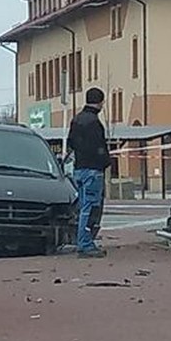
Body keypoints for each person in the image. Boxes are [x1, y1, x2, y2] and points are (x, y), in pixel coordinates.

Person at [67, 87, 110, 258]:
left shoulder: (76, 120)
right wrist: (105, 161)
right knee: (90, 207)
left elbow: (72, 143)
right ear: (101, 102)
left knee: (82, 206)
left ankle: (82, 240)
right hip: (93, 170)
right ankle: (85, 243)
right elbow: (98, 147)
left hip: (79, 168)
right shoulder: (94, 123)